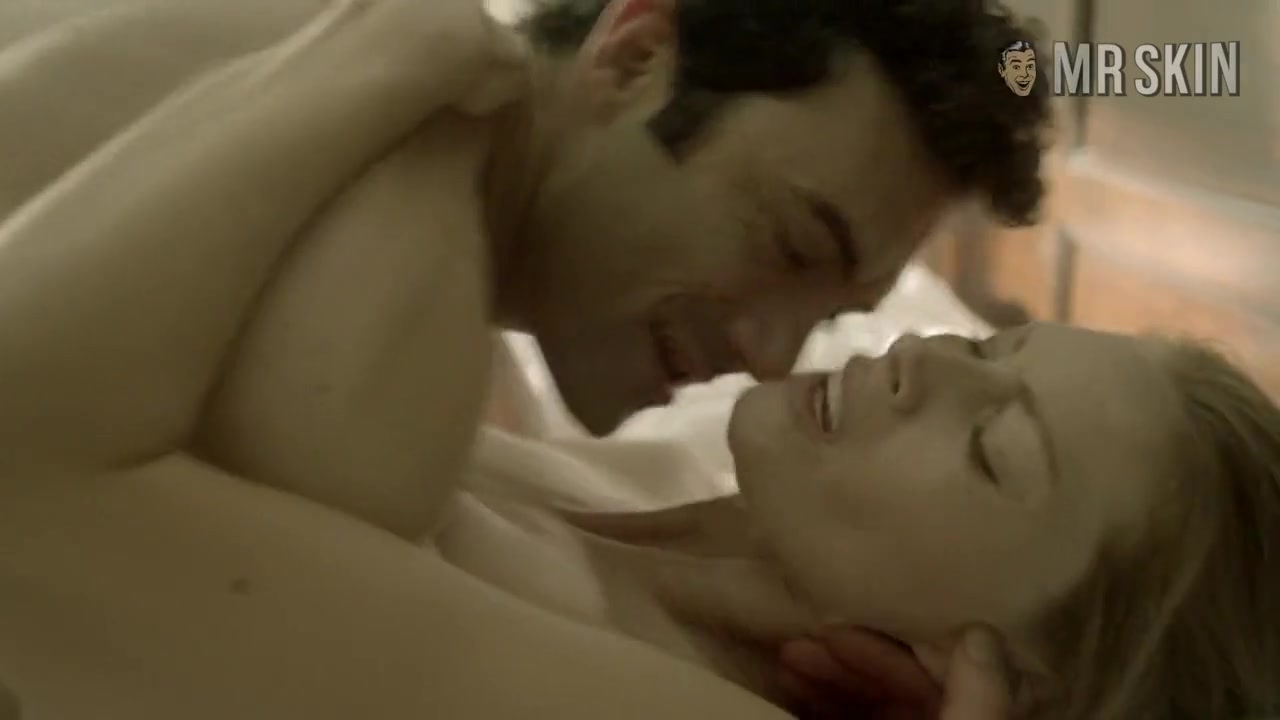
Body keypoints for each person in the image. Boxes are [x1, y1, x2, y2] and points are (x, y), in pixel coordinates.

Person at [0, 0, 1048, 716]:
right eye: (789, 245)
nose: (771, 356)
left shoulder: (335, 89)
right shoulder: (404, 204)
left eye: (829, 318)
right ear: (631, 59)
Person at [463, 322, 1280, 719]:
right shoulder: (660, 477)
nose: (922, 355)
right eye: (989, 347)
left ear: (1012, 683)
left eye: (993, 449)